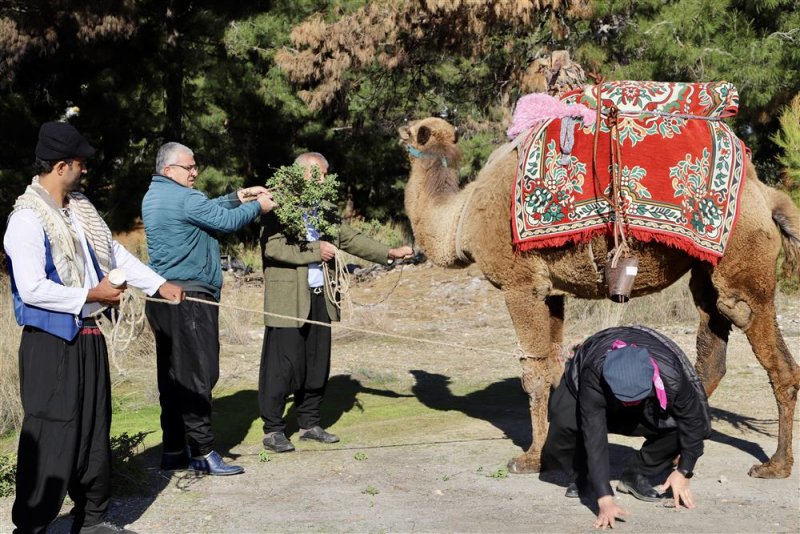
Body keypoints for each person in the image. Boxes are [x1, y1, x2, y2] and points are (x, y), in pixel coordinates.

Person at [4, 121, 184, 534]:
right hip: (48, 344)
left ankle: (93, 519)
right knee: (52, 432)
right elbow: (31, 289)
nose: (84, 170)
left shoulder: (81, 209)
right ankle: (31, 524)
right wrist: (91, 295)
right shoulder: (26, 219)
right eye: (80, 163)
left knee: (93, 429)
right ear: (61, 165)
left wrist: (159, 283)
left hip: (87, 338)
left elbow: (114, 254)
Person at [258, 152, 413, 452]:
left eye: (326, 174)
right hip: (287, 300)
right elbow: (273, 248)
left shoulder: (324, 208)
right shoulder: (276, 205)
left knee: (316, 363)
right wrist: (316, 250)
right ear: (302, 174)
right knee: (283, 366)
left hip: (320, 297)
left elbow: (350, 238)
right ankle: (273, 429)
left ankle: (310, 423)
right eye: (321, 173)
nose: (326, 179)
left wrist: (388, 253)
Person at [141, 142, 275, 475]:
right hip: (190, 300)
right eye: (190, 167)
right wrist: (258, 206)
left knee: (172, 377)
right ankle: (202, 452)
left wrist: (238, 196)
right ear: (170, 170)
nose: (195, 172)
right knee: (200, 374)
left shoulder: (156, 195)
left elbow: (206, 210)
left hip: (162, 297)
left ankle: (173, 448)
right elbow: (223, 222)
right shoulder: (185, 197)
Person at [541, 325, 712, 530]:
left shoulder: (672, 375)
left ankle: (635, 474)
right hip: (594, 387)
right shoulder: (593, 374)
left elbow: (694, 422)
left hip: (648, 398)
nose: (629, 403)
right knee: (565, 421)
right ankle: (581, 474)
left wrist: (685, 471)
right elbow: (594, 435)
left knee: (679, 429)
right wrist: (604, 497)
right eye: (626, 400)